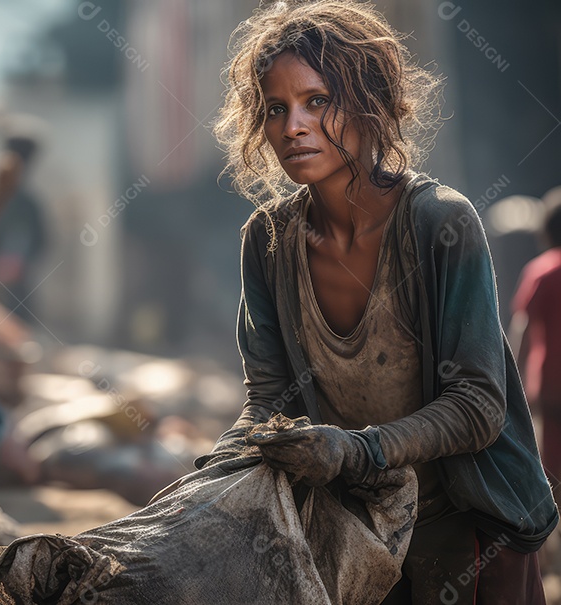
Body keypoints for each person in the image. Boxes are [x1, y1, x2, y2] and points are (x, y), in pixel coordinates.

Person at [197, 1, 558, 602]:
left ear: (368, 104)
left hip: (471, 527)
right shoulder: (266, 243)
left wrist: (358, 449)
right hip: (355, 536)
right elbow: (269, 399)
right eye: (275, 109)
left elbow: (476, 405)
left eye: (317, 101)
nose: (293, 126)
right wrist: (202, 488)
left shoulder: (440, 223)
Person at [511, 189, 561, 487]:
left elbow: (523, 333)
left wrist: (511, 391)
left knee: (553, 476)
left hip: (552, 393)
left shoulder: (541, 272)